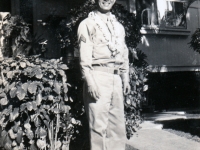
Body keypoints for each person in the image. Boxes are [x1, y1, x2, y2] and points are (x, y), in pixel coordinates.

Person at [77, 0, 130, 149]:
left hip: (116, 78)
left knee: (117, 127)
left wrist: (125, 77)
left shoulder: (119, 27)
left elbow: (123, 53)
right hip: (98, 77)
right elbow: (84, 58)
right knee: (98, 127)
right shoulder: (87, 24)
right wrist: (90, 82)